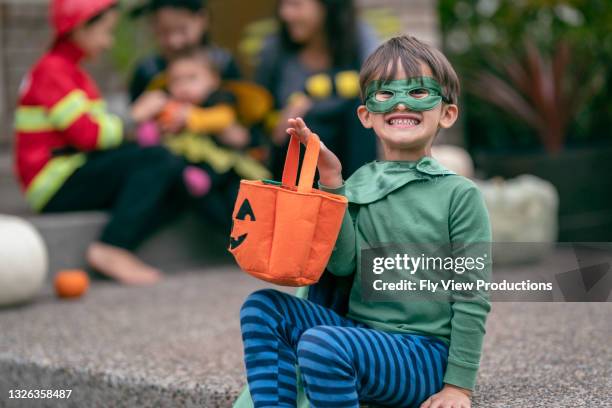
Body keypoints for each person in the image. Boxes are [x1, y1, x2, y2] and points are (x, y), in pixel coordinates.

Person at [236, 35, 492, 408]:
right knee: (262, 308)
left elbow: (472, 296)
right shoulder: (357, 184)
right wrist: (333, 182)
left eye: (419, 92)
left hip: (421, 355)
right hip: (357, 338)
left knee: (322, 344)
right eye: (385, 94)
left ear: (447, 113)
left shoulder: (458, 196)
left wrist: (458, 387)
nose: (401, 101)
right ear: (366, 115)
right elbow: (342, 265)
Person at [14, 0, 184, 285]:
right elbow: (89, 136)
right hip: (55, 182)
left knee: (177, 171)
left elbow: (97, 133)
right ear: (81, 28)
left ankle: (115, 245)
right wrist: (134, 115)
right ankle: (111, 246)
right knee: (157, 160)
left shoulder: (70, 71)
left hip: (73, 170)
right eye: (106, 32)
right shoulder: (53, 71)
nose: (109, 42)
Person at [131, 47, 271, 230]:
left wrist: (191, 118)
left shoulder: (218, 98)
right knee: (200, 195)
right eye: (176, 81)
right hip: (192, 175)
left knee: (236, 200)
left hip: (225, 168)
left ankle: (245, 233)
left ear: (213, 79)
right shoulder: (168, 106)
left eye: (192, 78)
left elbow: (223, 118)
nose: (183, 87)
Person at [254, 0, 380, 179]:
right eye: (283, 5)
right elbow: (259, 118)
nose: (285, 14)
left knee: (360, 111)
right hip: (295, 165)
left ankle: (357, 200)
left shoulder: (359, 41)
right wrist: (280, 122)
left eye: (295, 5)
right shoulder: (276, 50)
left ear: (327, 6)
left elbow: (381, 92)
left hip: (353, 162)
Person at [128, 0, 241, 102]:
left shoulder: (222, 62)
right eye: (164, 32)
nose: (175, 42)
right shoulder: (149, 70)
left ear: (202, 18)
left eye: (182, 30)